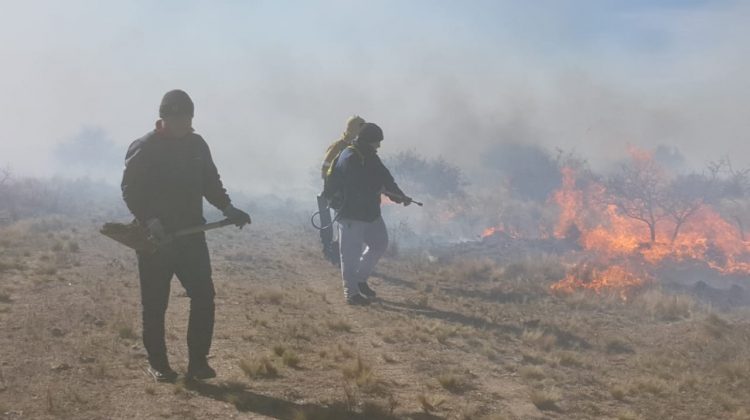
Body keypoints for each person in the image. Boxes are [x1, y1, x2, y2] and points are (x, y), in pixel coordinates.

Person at [121, 89, 251, 382]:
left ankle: (198, 363)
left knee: (204, 296)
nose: (184, 125)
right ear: (163, 118)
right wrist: (150, 220)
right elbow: (131, 190)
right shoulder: (145, 147)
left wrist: (228, 208)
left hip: (192, 237)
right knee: (155, 305)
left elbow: (211, 182)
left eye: (188, 119)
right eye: (178, 119)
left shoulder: (197, 144)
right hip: (155, 241)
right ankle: (159, 365)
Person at [327, 122, 412, 305]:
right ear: (368, 140)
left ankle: (360, 279)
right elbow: (358, 184)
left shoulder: (371, 157)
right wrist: (378, 188)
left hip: (370, 213)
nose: (379, 146)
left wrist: (399, 195)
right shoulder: (349, 156)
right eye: (376, 142)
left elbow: (385, 178)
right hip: (351, 214)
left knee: (379, 243)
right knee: (350, 255)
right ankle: (351, 294)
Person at [317, 115, 366, 265]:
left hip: (348, 193)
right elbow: (325, 168)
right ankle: (328, 248)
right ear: (354, 130)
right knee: (328, 220)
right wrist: (331, 189)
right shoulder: (338, 147)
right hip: (334, 191)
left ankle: (338, 250)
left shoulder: (359, 149)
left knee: (344, 222)